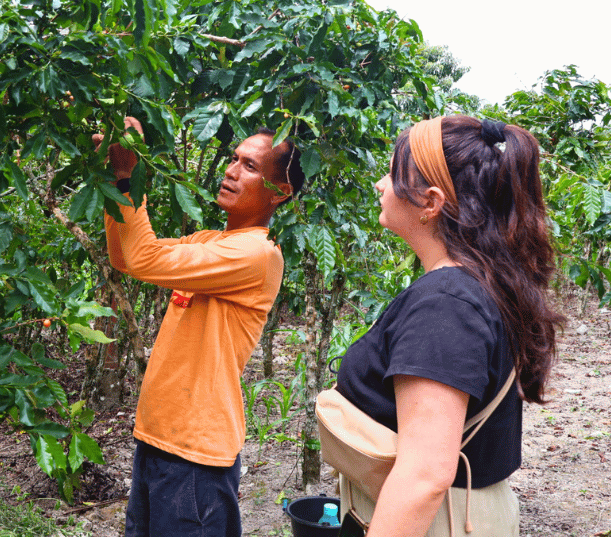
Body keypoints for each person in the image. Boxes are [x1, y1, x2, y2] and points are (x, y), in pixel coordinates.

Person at [333, 115, 564, 536]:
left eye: (392, 174)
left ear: (431, 202)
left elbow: (423, 478)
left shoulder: (446, 305)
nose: (381, 185)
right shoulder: (478, 284)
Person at [94, 116, 304, 537]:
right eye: (234, 159)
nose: (231, 170)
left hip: (196, 455)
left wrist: (128, 176)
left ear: (280, 192)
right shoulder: (210, 241)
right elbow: (125, 257)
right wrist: (115, 181)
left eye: (249, 166)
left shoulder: (258, 253)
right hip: (158, 438)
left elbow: (143, 258)